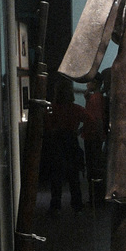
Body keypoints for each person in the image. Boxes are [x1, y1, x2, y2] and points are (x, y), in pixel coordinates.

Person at [41, 79, 90, 217]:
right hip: (71, 142)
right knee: (73, 176)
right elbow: (90, 120)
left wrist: (53, 130)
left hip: (57, 142)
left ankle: (55, 206)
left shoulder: (53, 108)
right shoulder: (76, 109)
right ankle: (77, 206)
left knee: (56, 176)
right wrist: (79, 131)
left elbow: (47, 123)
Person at [82, 73, 107, 206]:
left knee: (93, 168)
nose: (87, 84)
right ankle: (96, 198)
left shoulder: (95, 99)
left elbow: (96, 119)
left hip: (93, 137)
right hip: (93, 136)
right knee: (95, 167)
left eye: (89, 82)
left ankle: (96, 199)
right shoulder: (96, 97)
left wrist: (98, 135)